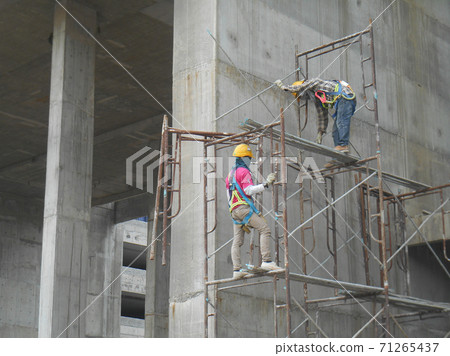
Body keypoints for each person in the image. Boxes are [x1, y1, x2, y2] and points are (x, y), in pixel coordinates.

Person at [226, 143, 280, 279]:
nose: (250, 161)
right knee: (264, 229)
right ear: (244, 158)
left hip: (234, 210)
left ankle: (237, 270)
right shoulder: (244, 172)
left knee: (237, 241)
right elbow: (248, 190)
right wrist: (265, 184)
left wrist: (234, 210)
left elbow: (228, 194)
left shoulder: (230, 174)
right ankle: (267, 261)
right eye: (249, 158)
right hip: (243, 208)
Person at [275, 78, 356, 165]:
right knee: (335, 131)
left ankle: (343, 146)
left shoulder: (314, 82)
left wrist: (284, 87)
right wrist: (320, 132)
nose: (305, 98)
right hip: (342, 101)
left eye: (302, 95)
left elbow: (300, 87)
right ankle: (339, 156)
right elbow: (322, 115)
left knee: (341, 123)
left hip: (345, 97)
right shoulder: (318, 98)